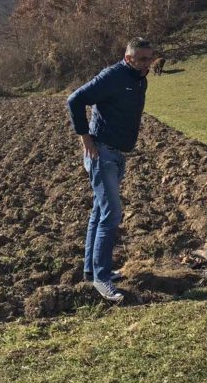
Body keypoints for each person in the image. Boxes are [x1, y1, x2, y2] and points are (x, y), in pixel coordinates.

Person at [67, 38, 155, 302]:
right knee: (111, 214)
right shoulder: (113, 76)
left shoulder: (140, 78)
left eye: (150, 58)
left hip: (117, 154)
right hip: (102, 152)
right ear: (128, 58)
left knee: (99, 211)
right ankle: (102, 279)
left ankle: (91, 270)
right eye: (142, 59)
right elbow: (75, 99)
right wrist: (85, 137)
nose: (148, 63)